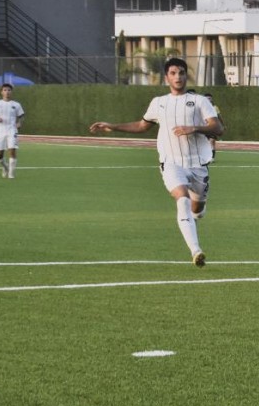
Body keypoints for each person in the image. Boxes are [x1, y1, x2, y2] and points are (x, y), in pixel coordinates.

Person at [89, 58, 224, 266]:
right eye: (173, 73)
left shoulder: (199, 101)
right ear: (166, 77)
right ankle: (196, 251)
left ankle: (198, 212)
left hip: (197, 165)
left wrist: (194, 128)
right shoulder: (158, 102)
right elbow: (142, 125)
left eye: (181, 73)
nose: (177, 77)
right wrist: (113, 126)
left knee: (197, 208)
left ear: (186, 75)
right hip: (171, 163)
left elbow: (218, 129)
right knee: (182, 199)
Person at [0, 83, 25, 179]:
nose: (7, 92)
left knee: (12, 150)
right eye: (5, 90)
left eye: (9, 90)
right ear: (1, 92)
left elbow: (21, 116)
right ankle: (5, 167)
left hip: (12, 130)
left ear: (11, 92)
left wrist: (19, 123)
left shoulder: (16, 104)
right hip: (0, 132)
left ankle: (11, 174)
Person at [204, 93, 225, 162]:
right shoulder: (201, 107)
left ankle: (212, 157)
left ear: (212, 99)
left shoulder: (215, 107)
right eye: (207, 98)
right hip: (204, 127)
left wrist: (223, 124)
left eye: (209, 98)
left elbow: (219, 116)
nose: (208, 100)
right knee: (204, 142)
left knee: (212, 141)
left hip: (212, 127)